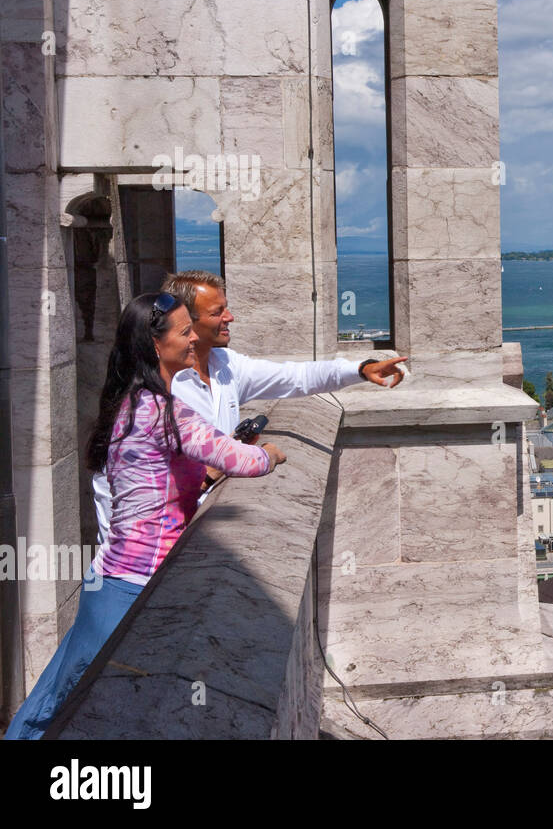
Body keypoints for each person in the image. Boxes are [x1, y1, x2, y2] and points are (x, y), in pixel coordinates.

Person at [4, 292, 285, 739]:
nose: (195, 337)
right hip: (133, 587)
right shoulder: (165, 413)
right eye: (184, 330)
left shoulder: (130, 402)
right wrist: (269, 454)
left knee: (57, 698)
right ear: (156, 345)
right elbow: (240, 460)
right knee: (72, 708)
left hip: (113, 581)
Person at [92, 270, 407, 545]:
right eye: (218, 311)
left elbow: (294, 377)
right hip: (151, 550)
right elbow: (112, 482)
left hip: (197, 528)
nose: (230, 317)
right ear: (186, 320)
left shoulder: (226, 364)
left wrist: (360, 369)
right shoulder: (156, 391)